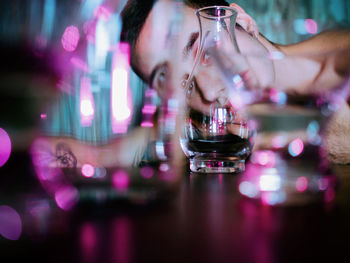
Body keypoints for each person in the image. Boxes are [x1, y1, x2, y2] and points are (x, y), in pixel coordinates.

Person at [32, 0, 350, 169]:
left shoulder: (340, 66)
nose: (209, 92)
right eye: (179, 83)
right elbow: (97, 157)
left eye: (203, 49)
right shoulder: (205, 136)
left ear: (240, 20)